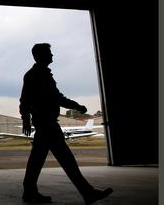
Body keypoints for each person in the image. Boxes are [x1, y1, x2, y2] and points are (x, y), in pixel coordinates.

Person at [19, 43, 113, 204]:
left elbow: (47, 98)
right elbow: (38, 99)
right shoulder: (36, 75)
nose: (52, 56)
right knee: (66, 159)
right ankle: (87, 193)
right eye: (49, 53)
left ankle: (29, 192)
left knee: (38, 160)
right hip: (47, 124)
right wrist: (76, 106)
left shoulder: (39, 74)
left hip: (45, 123)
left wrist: (27, 120)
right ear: (39, 55)